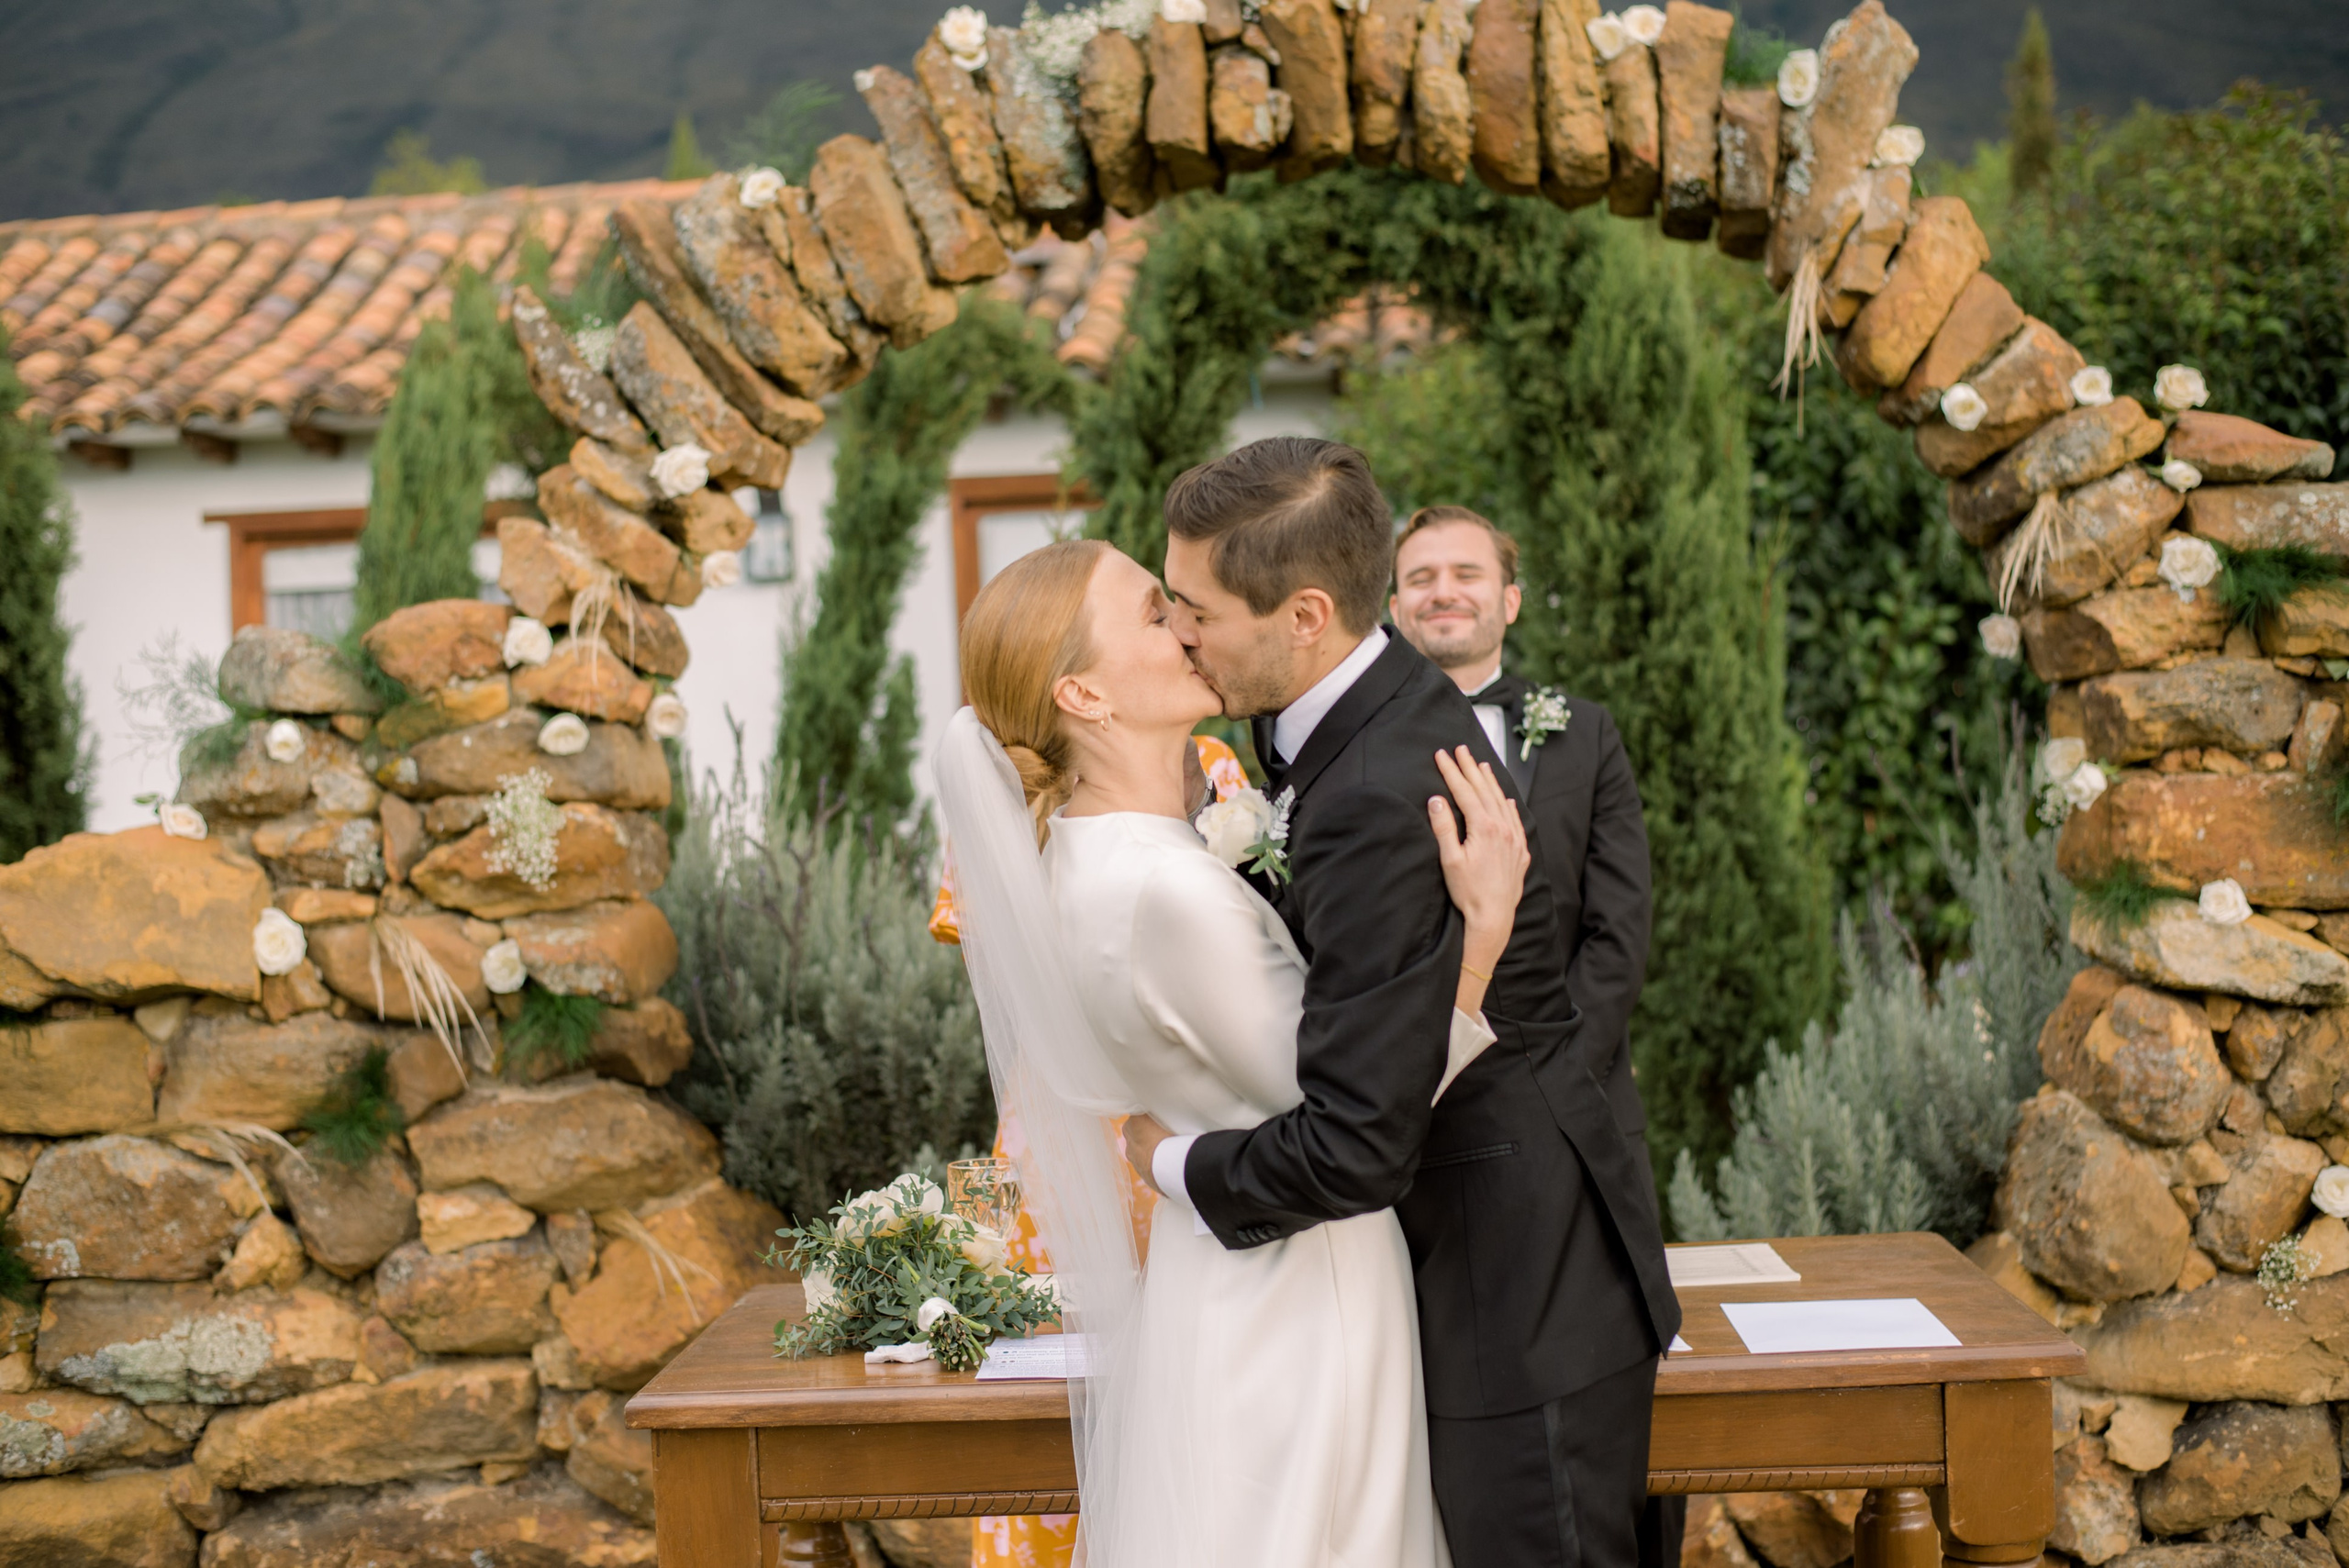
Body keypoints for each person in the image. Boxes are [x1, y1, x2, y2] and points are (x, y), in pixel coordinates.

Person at [1124, 437, 1678, 1568]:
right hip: (1472, 1269)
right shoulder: (1336, 721)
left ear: (1305, 614)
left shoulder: (1381, 788)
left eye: (1194, 609)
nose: (1179, 633)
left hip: (1513, 1295)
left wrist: (1165, 1161)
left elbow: (1356, 1145)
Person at [936, 534, 1533, 1567]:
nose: (1184, 625)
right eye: (1150, 612)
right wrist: (1477, 944)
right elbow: (1353, 1105)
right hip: (1298, 1293)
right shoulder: (1165, 891)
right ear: (1083, 693)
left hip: (1219, 1272)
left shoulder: (1087, 860)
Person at [1390, 503, 1676, 1563]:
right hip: (1430, 1130)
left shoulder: (1583, 731)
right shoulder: (1365, 755)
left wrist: (1551, 1079)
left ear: (1507, 600)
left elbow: (1619, 925)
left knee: (1601, 1399)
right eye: (1419, 577)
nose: (1443, 590)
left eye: (1466, 572)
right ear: (1392, 608)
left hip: (1584, 1116)